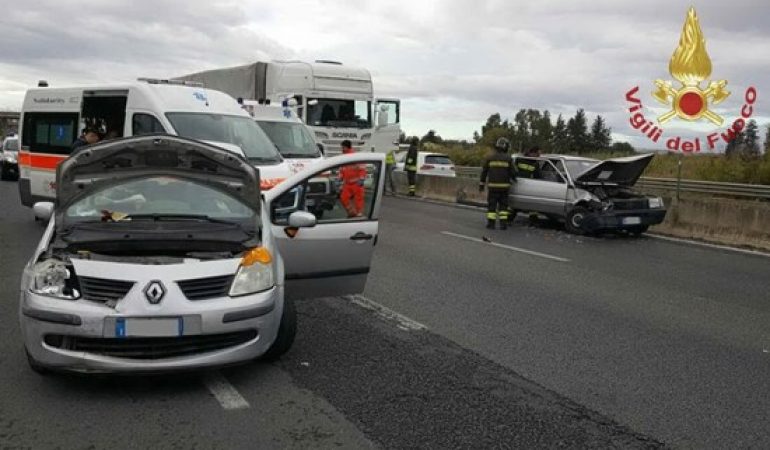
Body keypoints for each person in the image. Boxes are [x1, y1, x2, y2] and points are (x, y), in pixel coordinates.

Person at [479, 137, 516, 230]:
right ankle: (503, 224)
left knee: (492, 206)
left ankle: (491, 224)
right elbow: (513, 172)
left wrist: (481, 184)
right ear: (505, 147)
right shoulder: (508, 158)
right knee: (503, 207)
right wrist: (515, 178)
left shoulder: (490, 157)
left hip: (492, 187)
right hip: (504, 188)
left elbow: (484, 172)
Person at [338, 140, 366, 217]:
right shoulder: (343, 157)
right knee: (343, 198)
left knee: (358, 199)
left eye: (343, 147)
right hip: (347, 184)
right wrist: (339, 178)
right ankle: (351, 212)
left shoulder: (354, 157)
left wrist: (361, 178)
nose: (342, 149)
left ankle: (359, 213)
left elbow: (362, 168)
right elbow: (342, 169)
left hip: (356, 183)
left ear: (347, 147)